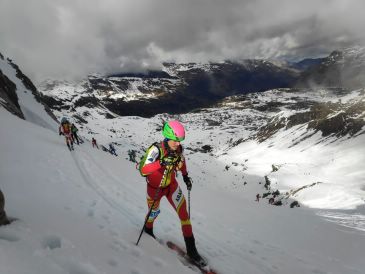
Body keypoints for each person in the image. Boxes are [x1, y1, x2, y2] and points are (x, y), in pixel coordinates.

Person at [140, 120, 204, 265]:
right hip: (154, 188)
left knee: (184, 215)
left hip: (171, 186)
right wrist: (161, 163)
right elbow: (143, 170)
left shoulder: (178, 150)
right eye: (175, 140)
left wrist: (186, 176)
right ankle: (148, 230)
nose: (178, 143)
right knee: (153, 213)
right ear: (167, 136)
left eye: (180, 140)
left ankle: (192, 250)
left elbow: (182, 162)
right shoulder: (156, 150)